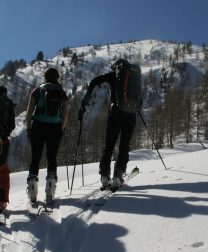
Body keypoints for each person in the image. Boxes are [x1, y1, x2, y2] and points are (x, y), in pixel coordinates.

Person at [80, 59, 142, 188]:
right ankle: (118, 175)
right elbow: (139, 97)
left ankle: (104, 176)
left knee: (109, 146)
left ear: (116, 68)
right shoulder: (134, 76)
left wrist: (85, 100)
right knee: (124, 145)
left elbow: (94, 82)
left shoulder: (113, 75)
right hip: (131, 113)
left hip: (115, 112)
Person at [26, 67, 68, 204]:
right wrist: (60, 128)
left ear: (45, 77)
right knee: (52, 157)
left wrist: (28, 128)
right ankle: (50, 190)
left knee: (36, 156)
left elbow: (29, 111)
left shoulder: (38, 90)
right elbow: (66, 113)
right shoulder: (61, 92)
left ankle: (32, 190)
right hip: (55, 127)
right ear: (57, 77)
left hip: (38, 125)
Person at [0, 85, 15, 212]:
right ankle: (1, 202)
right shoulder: (8, 103)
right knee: (2, 171)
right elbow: (12, 124)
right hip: (3, 141)